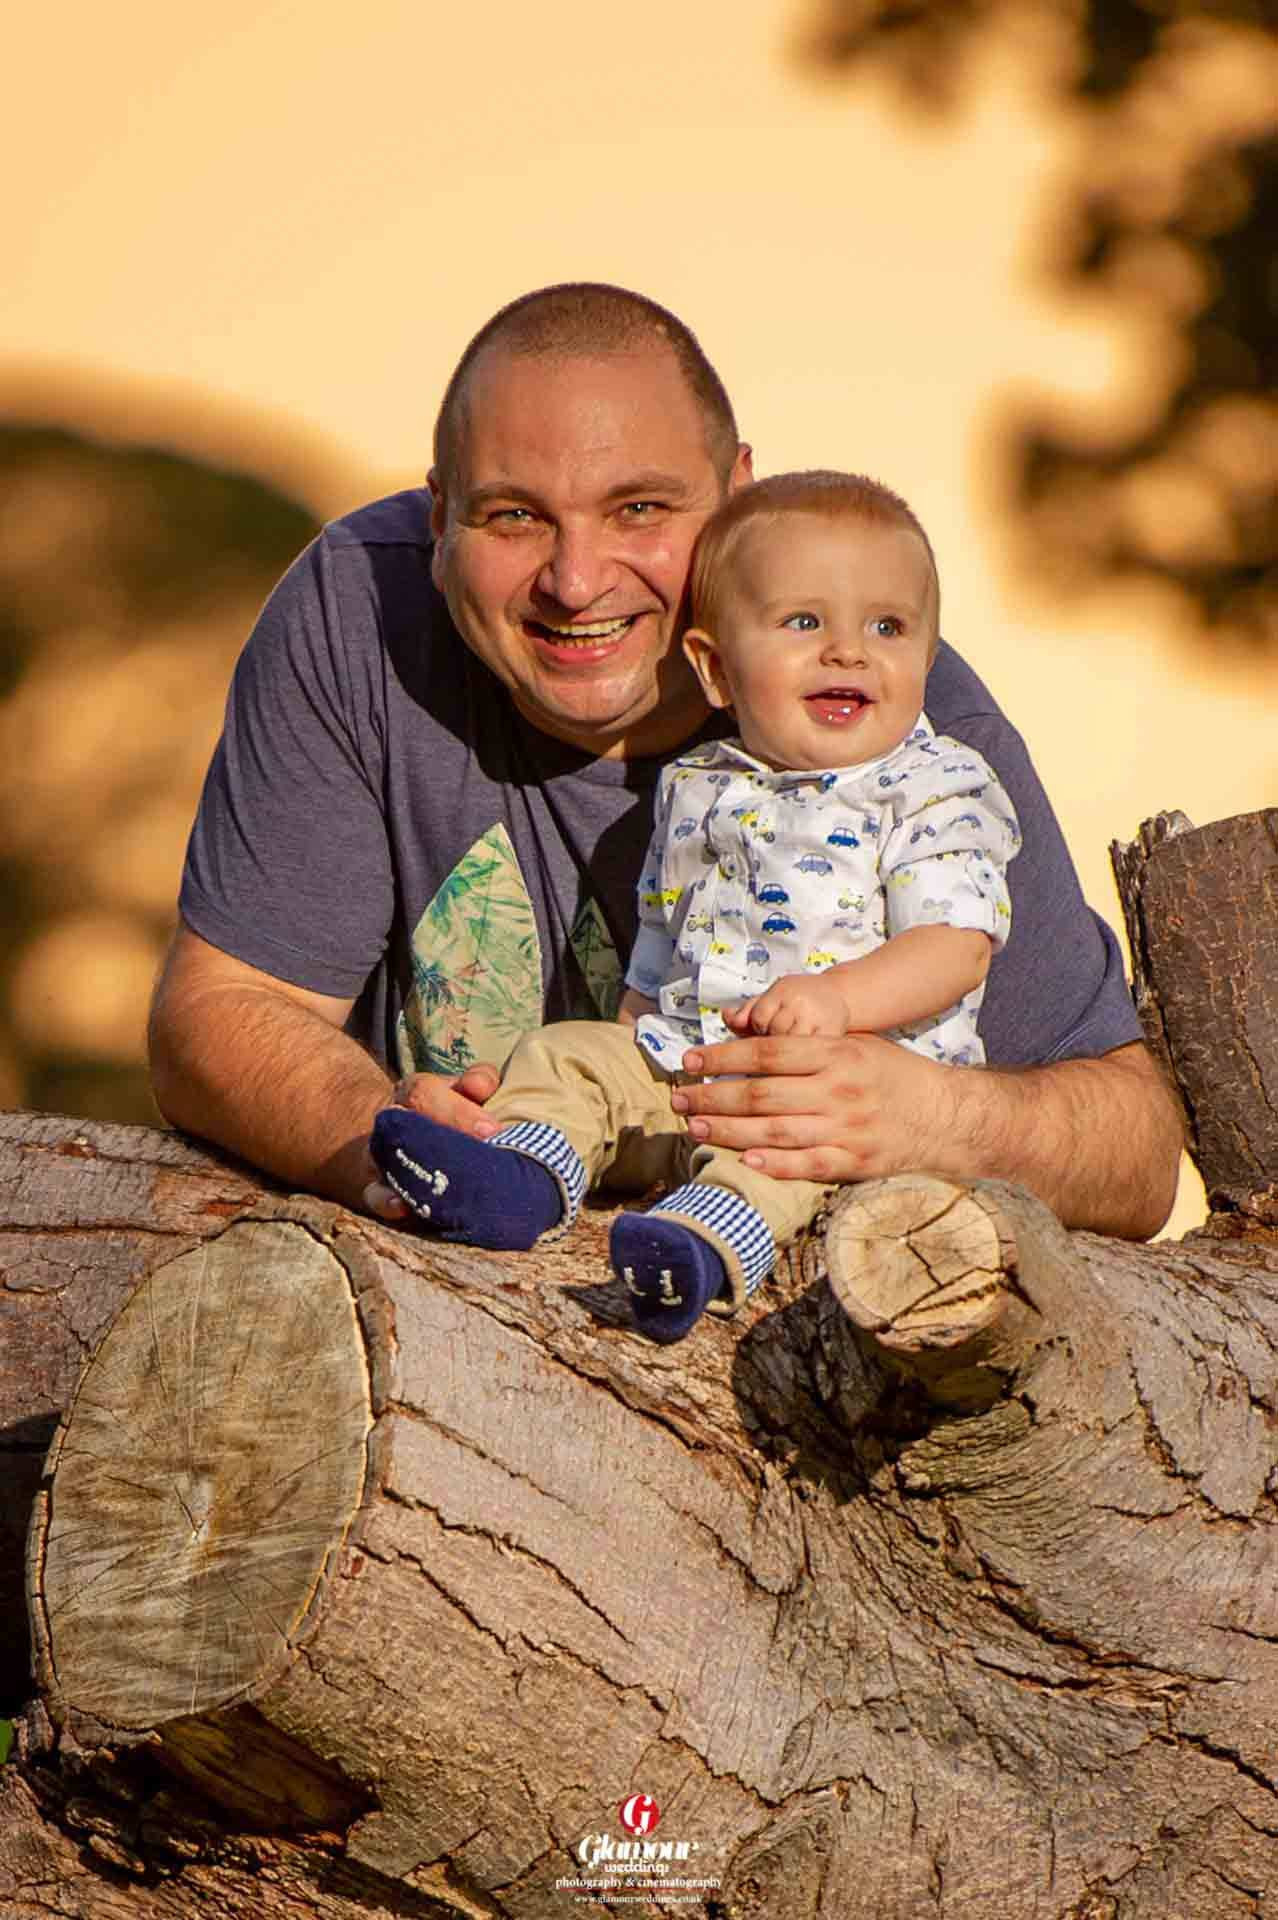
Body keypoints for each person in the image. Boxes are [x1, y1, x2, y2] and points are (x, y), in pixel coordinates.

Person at [148, 282, 1182, 1246]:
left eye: (639, 508)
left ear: (739, 495)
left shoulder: (888, 705)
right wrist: (378, 1137)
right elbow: (218, 1011)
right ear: (439, 518)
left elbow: (1135, 1157)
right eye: (513, 515)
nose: (576, 580)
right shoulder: (356, 614)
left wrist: (933, 1118)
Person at [370, 471, 1023, 1340]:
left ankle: (696, 1250)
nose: (848, 652)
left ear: (926, 657)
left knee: (779, 1162)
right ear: (715, 667)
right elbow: (663, 931)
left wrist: (839, 1002)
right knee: (567, 1055)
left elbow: (955, 943)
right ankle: (518, 1180)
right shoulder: (700, 785)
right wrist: (634, 1022)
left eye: (887, 627)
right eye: (803, 623)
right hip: (681, 1061)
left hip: (827, 1095)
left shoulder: (932, 786)